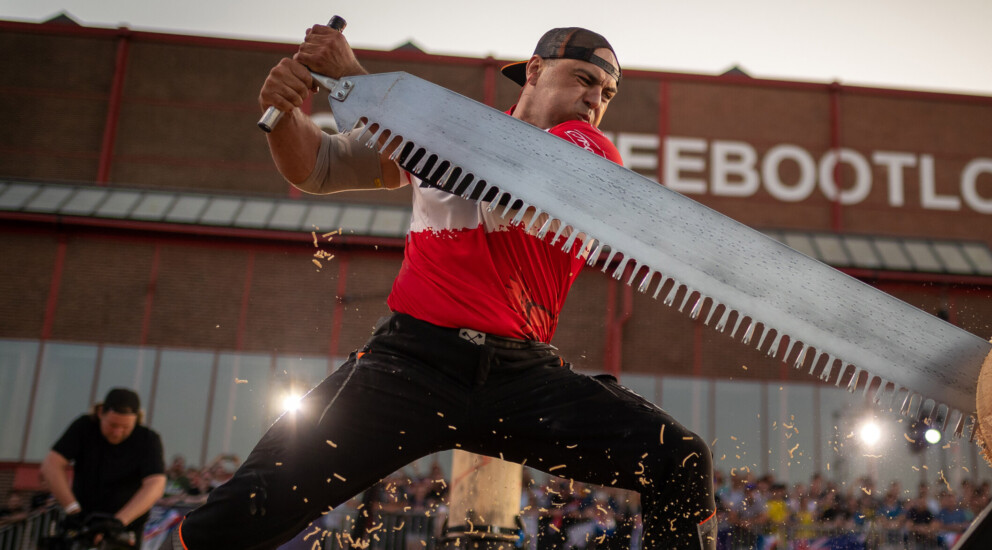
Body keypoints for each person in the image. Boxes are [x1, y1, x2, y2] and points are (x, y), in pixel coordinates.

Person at [177, 26, 716, 550]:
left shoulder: (586, 149)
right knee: (240, 513)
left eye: (606, 92)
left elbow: (506, 176)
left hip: (520, 378)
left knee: (680, 457)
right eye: (583, 79)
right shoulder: (436, 135)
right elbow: (320, 165)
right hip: (409, 365)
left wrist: (361, 84)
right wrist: (285, 116)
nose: (595, 99)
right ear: (534, 70)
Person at [41, 388, 166, 549]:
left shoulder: (148, 439)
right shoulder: (84, 427)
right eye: (112, 425)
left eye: (125, 427)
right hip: (81, 522)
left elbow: (156, 483)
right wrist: (72, 509)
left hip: (125, 530)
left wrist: (118, 522)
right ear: (101, 413)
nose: (117, 432)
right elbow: (52, 464)